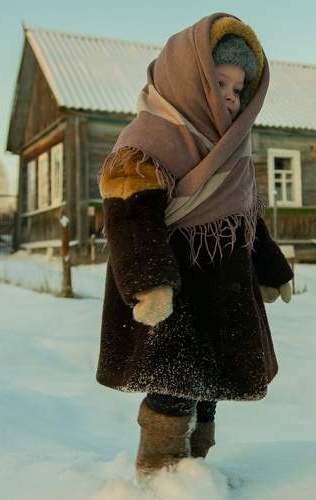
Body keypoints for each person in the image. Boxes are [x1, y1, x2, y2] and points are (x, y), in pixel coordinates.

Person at [96, 12, 293, 481]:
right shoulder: (145, 141)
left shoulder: (231, 146)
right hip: (174, 291)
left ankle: (196, 471)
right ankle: (159, 469)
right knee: (174, 382)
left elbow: (246, 217)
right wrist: (150, 283)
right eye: (219, 82)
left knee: (210, 383)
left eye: (238, 88)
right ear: (189, 78)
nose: (230, 95)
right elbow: (131, 218)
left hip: (222, 290)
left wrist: (271, 269)